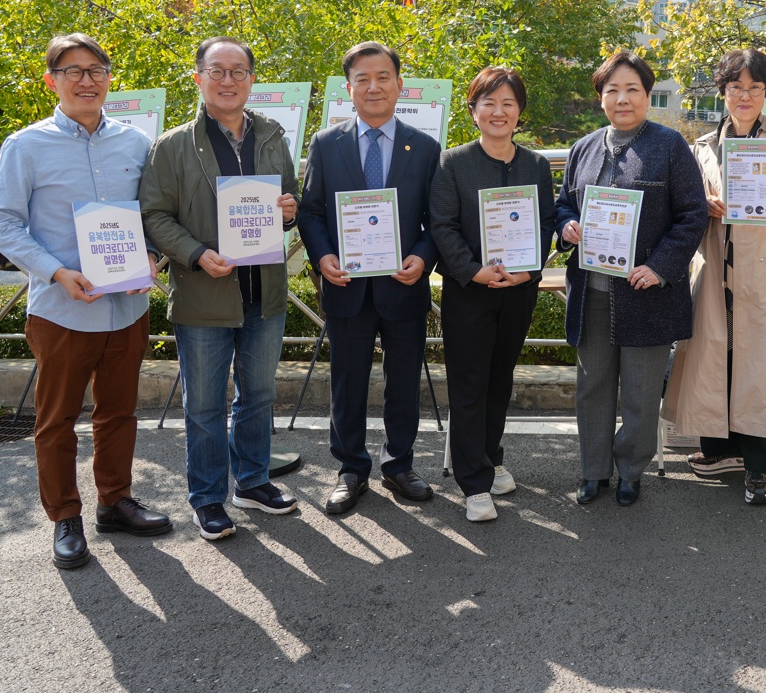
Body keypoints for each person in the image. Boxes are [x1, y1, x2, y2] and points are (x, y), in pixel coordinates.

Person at [0, 33, 171, 570]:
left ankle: (115, 501)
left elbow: (154, 215)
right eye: (73, 71)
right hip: (62, 308)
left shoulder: (136, 142)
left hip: (127, 307)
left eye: (96, 70)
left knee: (119, 413)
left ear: (109, 78)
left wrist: (152, 256)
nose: (87, 80)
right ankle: (65, 516)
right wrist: (56, 271)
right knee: (57, 421)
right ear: (52, 81)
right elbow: (2, 222)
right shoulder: (26, 145)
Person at [140, 36, 301, 540]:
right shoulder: (172, 145)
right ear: (199, 78)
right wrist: (194, 253)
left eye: (238, 71)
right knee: (204, 404)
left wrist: (289, 211)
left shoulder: (272, 136)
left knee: (258, 395)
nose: (228, 80)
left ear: (251, 79)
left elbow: (289, 198)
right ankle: (207, 498)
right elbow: (154, 215)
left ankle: (252, 481)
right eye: (217, 71)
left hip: (264, 291)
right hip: (202, 292)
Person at [663, 48, 766, 506]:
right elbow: (682, 206)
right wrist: (703, 206)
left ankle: (759, 466)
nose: (745, 96)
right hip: (716, 268)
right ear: (723, 91)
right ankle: (720, 451)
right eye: (736, 87)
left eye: (755, 88)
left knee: (761, 363)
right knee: (720, 356)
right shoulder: (702, 146)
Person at [554, 50, 707, 507]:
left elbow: (692, 215)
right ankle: (593, 471)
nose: (622, 99)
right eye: (612, 90)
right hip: (592, 290)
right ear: (600, 97)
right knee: (592, 386)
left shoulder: (670, 145)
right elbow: (563, 204)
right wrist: (567, 225)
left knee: (641, 390)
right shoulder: (583, 148)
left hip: (647, 291)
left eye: (632, 90)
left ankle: (631, 471)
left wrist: (660, 267)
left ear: (647, 94)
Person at [301, 41, 441, 514]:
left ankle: (399, 464)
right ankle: (351, 469)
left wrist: (422, 257)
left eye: (383, 77)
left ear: (400, 85)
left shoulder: (425, 147)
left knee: (403, 381)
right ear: (349, 88)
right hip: (347, 286)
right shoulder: (326, 143)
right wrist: (322, 257)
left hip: (403, 285)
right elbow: (311, 211)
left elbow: (437, 220)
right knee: (347, 383)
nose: (373, 86)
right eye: (363, 78)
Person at [429, 67, 556, 522]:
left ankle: (490, 456)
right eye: (489, 102)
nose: (498, 111)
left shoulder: (536, 165)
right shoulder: (452, 162)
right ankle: (474, 483)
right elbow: (442, 225)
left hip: (518, 289)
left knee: (500, 378)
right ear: (473, 110)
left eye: (508, 103)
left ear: (520, 112)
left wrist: (528, 270)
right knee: (469, 384)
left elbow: (546, 222)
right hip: (470, 290)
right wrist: (473, 271)